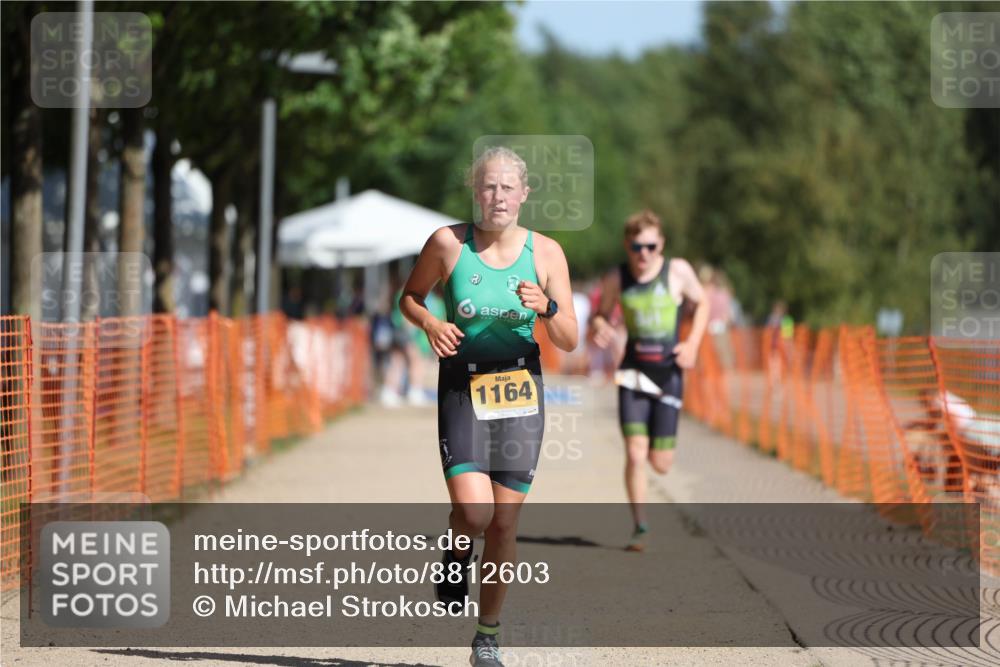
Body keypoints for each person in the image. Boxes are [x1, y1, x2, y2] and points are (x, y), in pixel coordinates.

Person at [399, 146, 577, 667]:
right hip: (463, 387)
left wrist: (548, 308)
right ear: (475, 192)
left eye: (507, 188)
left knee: (503, 523)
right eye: (488, 186)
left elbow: (569, 339)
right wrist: (431, 323)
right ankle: (457, 547)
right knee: (474, 513)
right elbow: (410, 297)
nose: (498, 196)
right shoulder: (447, 244)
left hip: (520, 389)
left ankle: (487, 638)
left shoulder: (547, 253)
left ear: (524, 194)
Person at [590, 209, 708, 552]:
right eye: (636, 247)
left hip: (668, 373)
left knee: (661, 463)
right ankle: (640, 526)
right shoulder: (617, 277)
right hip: (633, 372)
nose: (643, 254)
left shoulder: (678, 271)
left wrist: (692, 344)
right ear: (626, 245)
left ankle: (660, 455)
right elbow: (600, 314)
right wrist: (600, 326)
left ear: (662, 245)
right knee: (635, 452)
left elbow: (701, 304)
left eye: (650, 247)